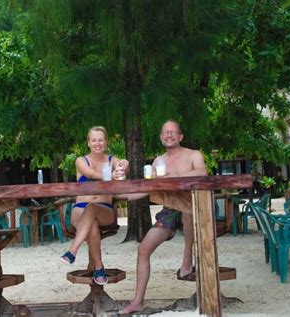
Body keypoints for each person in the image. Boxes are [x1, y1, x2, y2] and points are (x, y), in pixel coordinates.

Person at [122, 119, 207, 314]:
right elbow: (145, 187)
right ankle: (137, 301)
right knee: (143, 249)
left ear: (180, 136)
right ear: (161, 137)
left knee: (188, 214)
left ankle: (187, 261)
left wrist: (172, 179)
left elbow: (202, 173)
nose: (169, 135)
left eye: (173, 132)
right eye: (165, 132)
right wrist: (117, 192)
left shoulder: (194, 155)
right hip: (169, 210)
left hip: (193, 206)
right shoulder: (157, 162)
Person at [60, 126, 129, 285]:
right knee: (92, 222)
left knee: (92, 208)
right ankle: (99, 268)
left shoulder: (112, 160)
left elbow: (124, 165)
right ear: (88, 143)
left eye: (100, 140)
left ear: (106, 142)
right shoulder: (81, 161)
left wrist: (124, 164)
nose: (97, 143)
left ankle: (72, 251)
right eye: (94, 140)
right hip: (80, 209)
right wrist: (108, 176)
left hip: (104, 209)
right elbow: (90, 174)